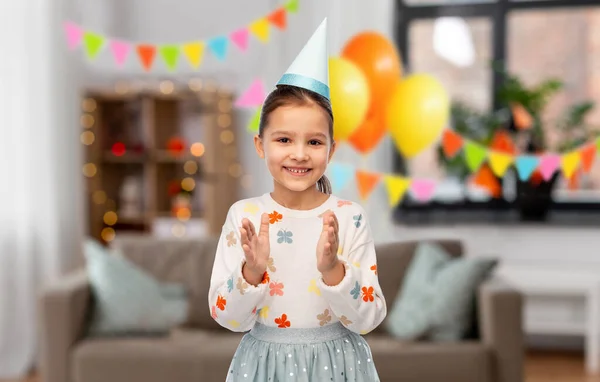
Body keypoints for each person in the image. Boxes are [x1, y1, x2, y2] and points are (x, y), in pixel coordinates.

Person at [208, 18, 386, 382]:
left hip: (339, 365)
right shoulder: (244, 215)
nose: (300, 154)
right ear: (260, 145)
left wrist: (332, 269)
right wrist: (251, 272)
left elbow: (369, 319)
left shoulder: (349, 218)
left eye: (315, 142)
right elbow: (227, 317)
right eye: (284, 140)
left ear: (331, 150)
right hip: (264, 367)